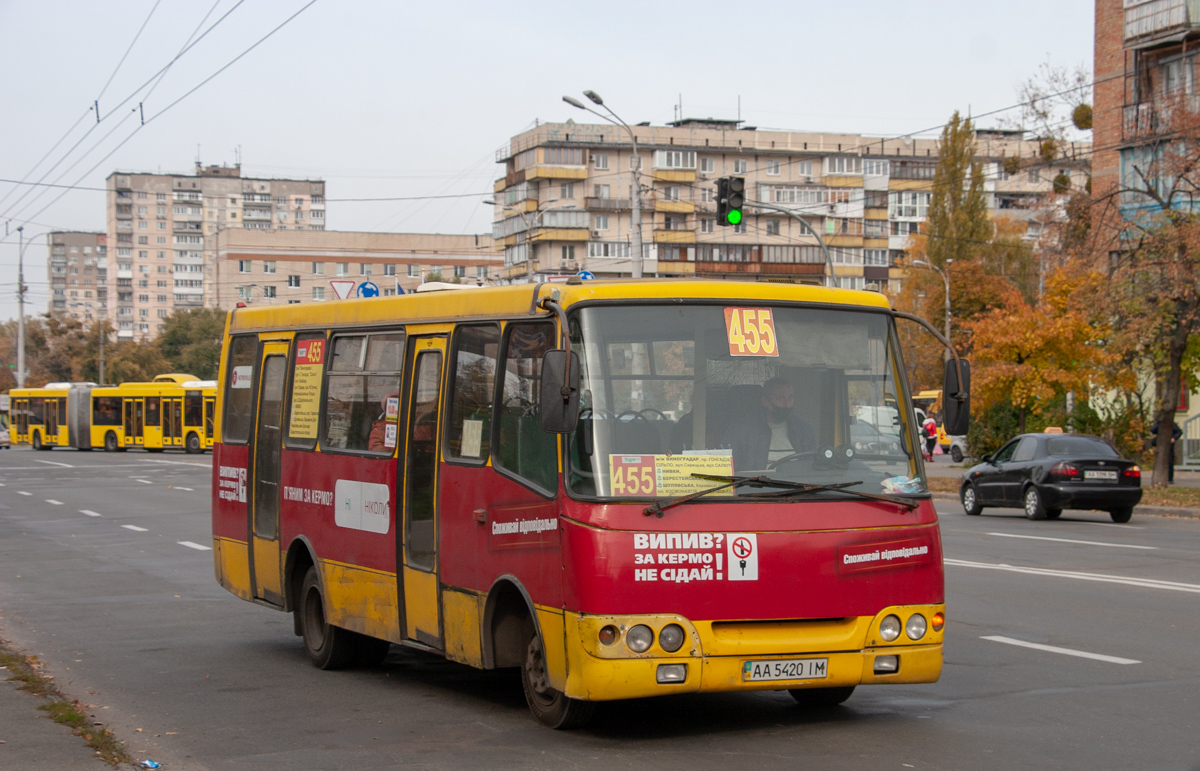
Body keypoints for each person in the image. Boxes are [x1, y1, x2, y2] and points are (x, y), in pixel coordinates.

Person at [723, 378, 815, 472]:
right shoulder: (741, 431)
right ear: (765, 401)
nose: (787, 404)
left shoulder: (804, 430)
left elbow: (813, 468)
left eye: (790, 397)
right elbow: (730, 471)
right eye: (781, 398)